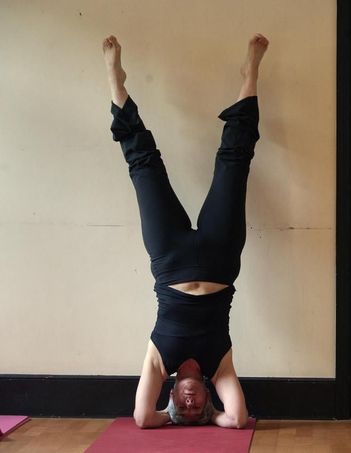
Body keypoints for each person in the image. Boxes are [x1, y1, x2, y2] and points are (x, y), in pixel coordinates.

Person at [102, 33, 269, 428]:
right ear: (208, 399)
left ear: (172, 396)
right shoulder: (219, 364)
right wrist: (213, 419)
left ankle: (116, 83)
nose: (191, 405)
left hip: (169, 258)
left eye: (183, 408)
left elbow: (143, 418)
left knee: (144, 167)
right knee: (234, 161)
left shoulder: (159, 362)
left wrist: (169, 418)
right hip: (220, 256)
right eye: (199, 409)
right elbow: (239, 418)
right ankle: (250, 74)